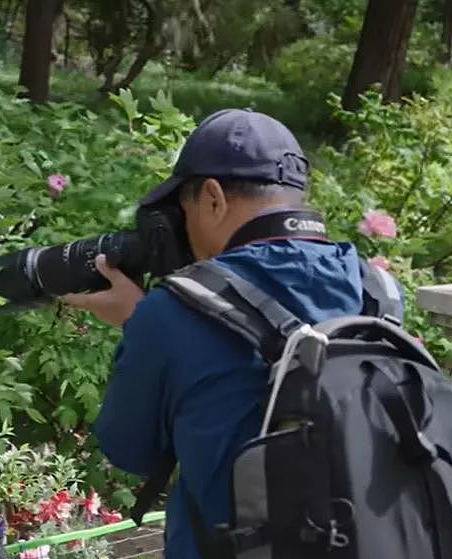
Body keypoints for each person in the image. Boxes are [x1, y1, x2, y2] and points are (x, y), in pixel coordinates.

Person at [61, 108, 403, 558]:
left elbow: (129, 450)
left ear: (213, 197)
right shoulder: (377, 291)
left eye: (183, 209)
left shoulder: (171, 312)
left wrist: (139, 322)